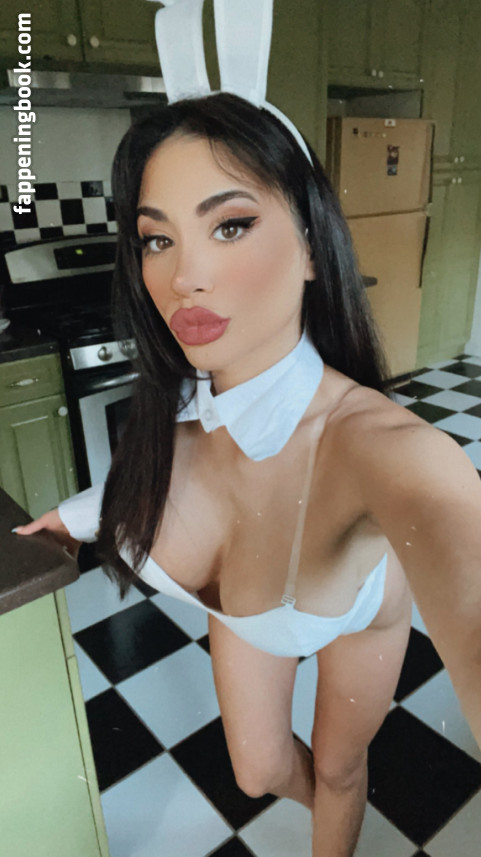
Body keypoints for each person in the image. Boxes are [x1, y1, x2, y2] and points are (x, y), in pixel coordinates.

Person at [14, 93, 481, 857]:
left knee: (337, 767)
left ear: (310, 247)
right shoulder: (183, 397)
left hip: (362, 609)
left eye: (230, 225)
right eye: (156, 239)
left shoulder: (385, 446)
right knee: (258, 769)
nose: (185, 276)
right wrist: (73, 516)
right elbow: (170, 479)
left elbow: (449, 528)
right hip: (253, 608)